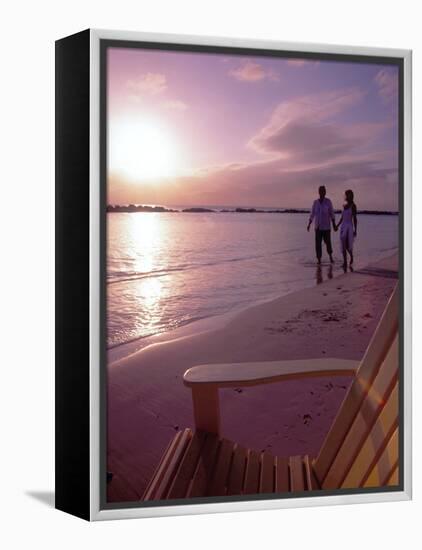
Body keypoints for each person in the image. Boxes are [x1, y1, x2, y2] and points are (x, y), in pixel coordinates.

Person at [307, 185, 336, 264]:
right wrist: (309, 223)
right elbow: (312, 214)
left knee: (328, 243)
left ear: (325, 192)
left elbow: (332, 213)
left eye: (324, 191)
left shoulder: (328, 202)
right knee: (318, 244)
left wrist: (334, 224)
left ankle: (330, 257)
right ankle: (319, 260)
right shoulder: (315, 202)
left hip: (326, 227)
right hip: (318, 227)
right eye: (321, 191)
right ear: (319, 192)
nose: (323, 192)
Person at [335, 189, 357, 269]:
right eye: (347, 194)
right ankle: (345, 262)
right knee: (343, 244)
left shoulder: (353, 206)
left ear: (352, 196)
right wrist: (337, 226)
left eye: (349, 194)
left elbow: (355, 218)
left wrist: (355, 230)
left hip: (349, 227)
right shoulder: (344, 205)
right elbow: (342, 217)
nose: (348, 196)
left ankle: (351, 256)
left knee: (348, 245)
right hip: (343, 226)